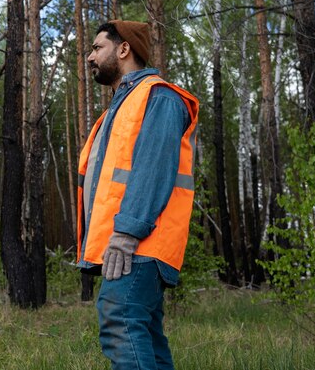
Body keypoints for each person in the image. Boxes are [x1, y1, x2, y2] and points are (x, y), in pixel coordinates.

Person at [76, 20, 199, 370]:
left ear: (124, 49)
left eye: (97, 47)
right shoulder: (121, 108)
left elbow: (153, 168)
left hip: (140, 245)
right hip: (135, 244)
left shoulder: (158, 96)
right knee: (147, 338)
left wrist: (127, 233)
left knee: (120, 319)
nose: (89, 56)